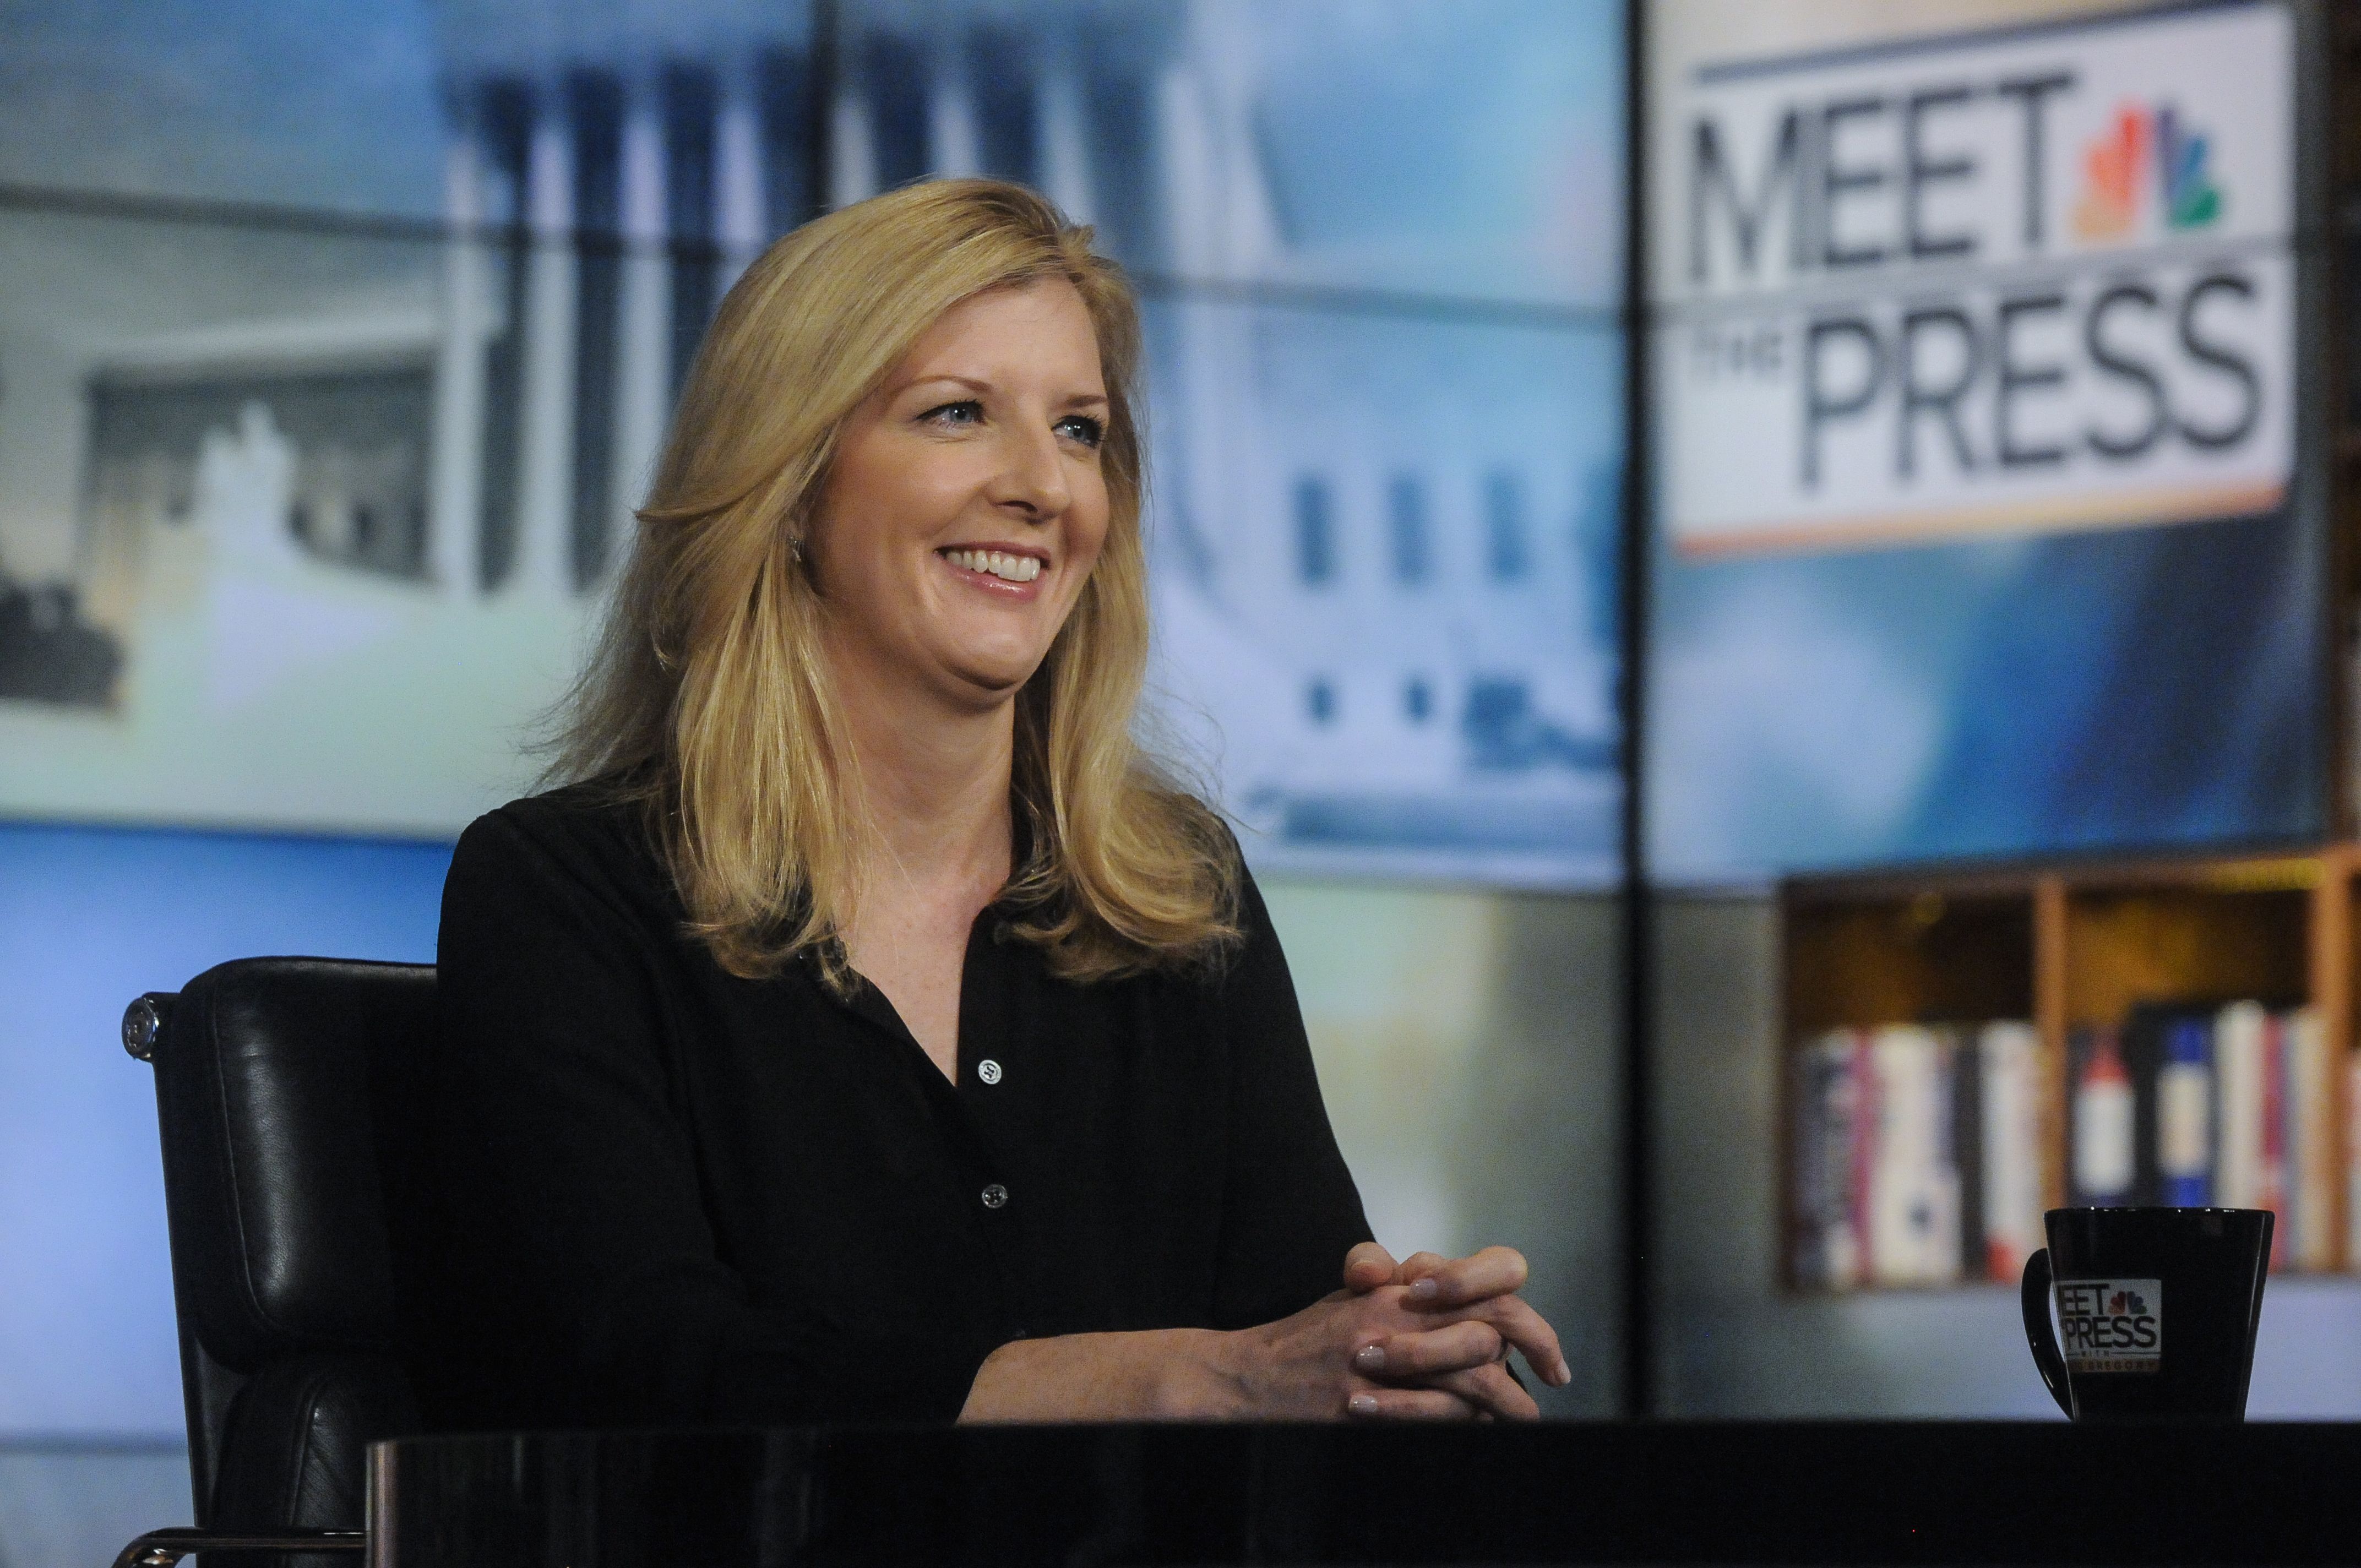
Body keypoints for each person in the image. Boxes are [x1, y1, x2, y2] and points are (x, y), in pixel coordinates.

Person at [418, 178, 1568, 1429]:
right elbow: (657, 1369)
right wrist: (1164, 1378)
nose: (1042, 486)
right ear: (790, 486)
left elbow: (1284, 1333)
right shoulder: (561, 893)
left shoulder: (1180, 896)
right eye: (958, 413)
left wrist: (1388, 1356)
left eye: (1078, 430)